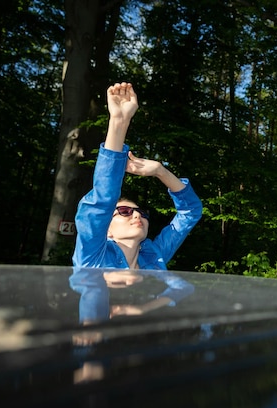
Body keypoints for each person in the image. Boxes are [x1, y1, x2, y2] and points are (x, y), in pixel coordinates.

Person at [72, 82, 202, 269]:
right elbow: (103, 199)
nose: (136, 215)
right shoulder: (92, 257)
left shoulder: (153, 257)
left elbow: (191, 212)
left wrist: (160, 171)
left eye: (141, 212)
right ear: (107, 229)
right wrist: (119, 121)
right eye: (125, 211)